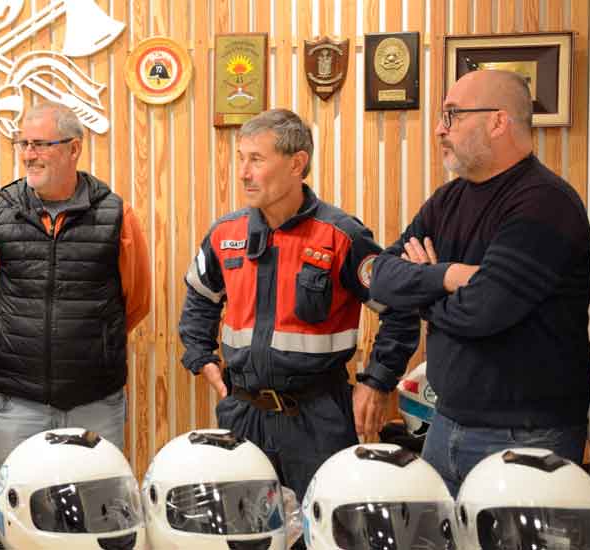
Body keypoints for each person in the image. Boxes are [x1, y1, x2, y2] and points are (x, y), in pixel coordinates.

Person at [178, 109, 417, 546]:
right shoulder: (225, 233)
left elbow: (399, 309)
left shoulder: (341, 236)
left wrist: (376, 382)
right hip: (241, 413)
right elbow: (199, 297)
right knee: (241, 534)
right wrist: (202, 360)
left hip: (318, 417)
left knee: (323, 535)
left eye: (256, 159)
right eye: (241, 158)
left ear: (296, 162)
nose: (244, 172)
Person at [366, 70, 590, 496]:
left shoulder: (545, 202)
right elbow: (380, 277)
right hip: (445, 422)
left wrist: (420, 293)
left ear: (498, 121)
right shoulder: (447, 200)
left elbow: (484, 312)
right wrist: (448, 276)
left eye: (452, 115)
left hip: (526, 437)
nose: (439, 129)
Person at [0, 101, 151, 472]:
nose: (29, 155)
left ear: (74, 148)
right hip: (19, 403)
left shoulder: (116, 214)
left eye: (40, 145)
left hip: (95, 402)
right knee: (20, 519)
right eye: (23, 144)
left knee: (95, 517)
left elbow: (137, 302)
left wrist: (96, 339)